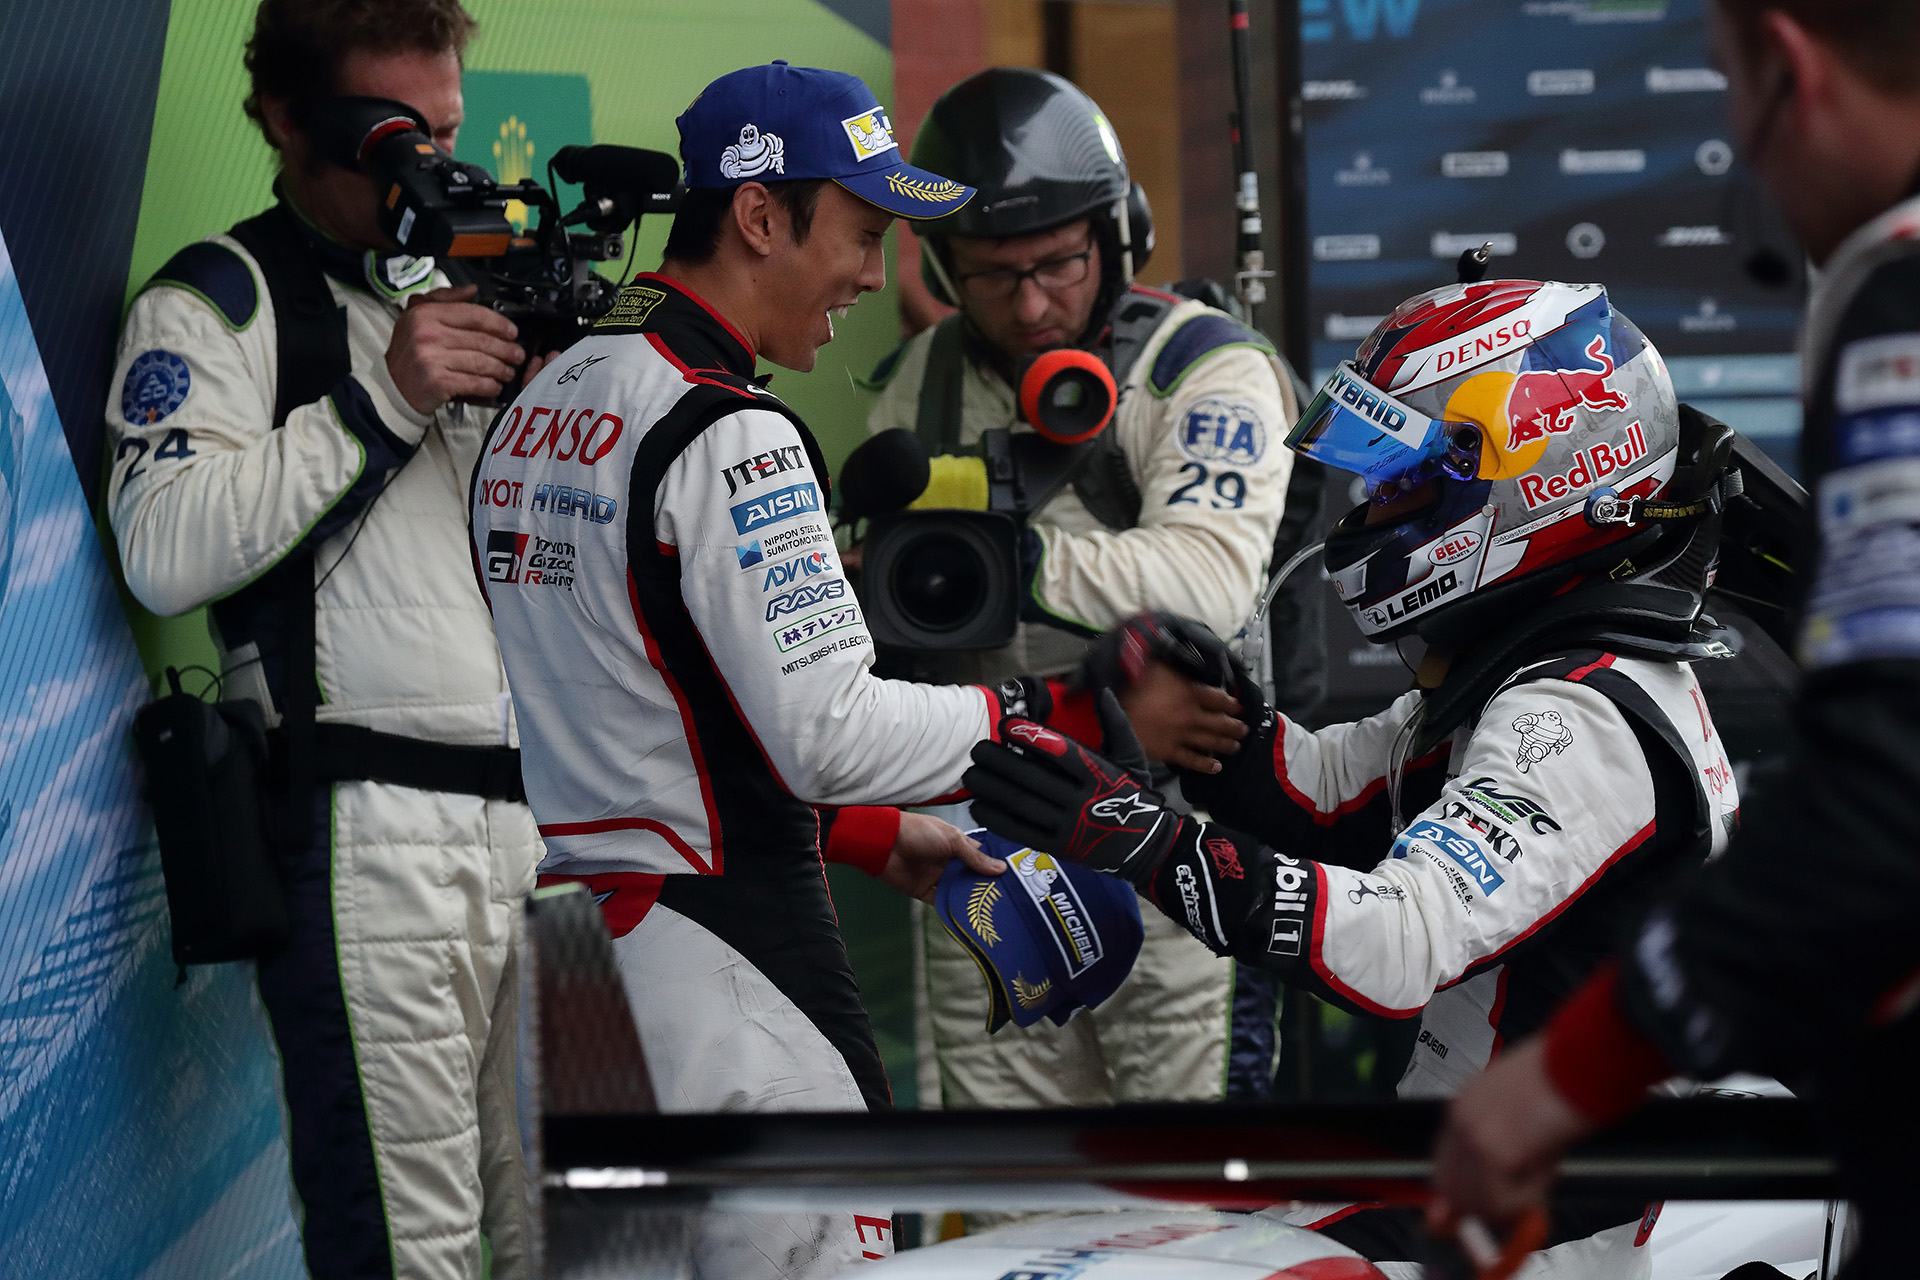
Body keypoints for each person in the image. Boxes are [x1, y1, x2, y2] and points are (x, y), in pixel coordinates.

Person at [470, 61, 1168, 1278]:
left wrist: (868, 836)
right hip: (737, 967)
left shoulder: (544, 397)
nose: (870, 273)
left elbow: (648, 710)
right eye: (860, 230)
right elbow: (825, 732)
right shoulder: (729, 426)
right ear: (758, 214)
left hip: (574, 971)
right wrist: (1042, 713)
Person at [964, 280, 1746, 1271]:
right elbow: (1331, 791)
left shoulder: (1581, 714)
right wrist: (1229, 729)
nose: (1371, 507)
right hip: (1455, 1182)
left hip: (1531, 1234)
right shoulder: (1537, 670)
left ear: (1529, 474)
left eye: (1402, 481)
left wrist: (1150, 842)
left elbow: (1400, 938)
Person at [1428, 4, 1920, 1273]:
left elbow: (1889, 782)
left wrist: (1577, 1068)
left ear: (1790, 67)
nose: (1748, 169)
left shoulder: (1901, 288)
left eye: (1729, 103)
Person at [105, 1, 540, 1275]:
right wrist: (382, 397)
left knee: (586, 1235)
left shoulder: (486, 287)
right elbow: (165, 547)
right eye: (391, 135)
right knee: (413, 1251)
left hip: (552, 831)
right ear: (291, 120)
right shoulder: (221, 296)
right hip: (366, 837)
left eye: (447, 132)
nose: (427, 167)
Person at [862, 67, 1301, 1114]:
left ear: (1118, 232)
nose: (1029, 303)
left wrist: (1012, 568)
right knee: (1011, 1205)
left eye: (1057, 264)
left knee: (1197, 1206)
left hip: (1181, 847)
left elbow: (1210, 577)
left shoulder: (1204, 368)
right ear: (940, 262)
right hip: (982, 852)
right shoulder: (910, 384)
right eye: (989, 273)